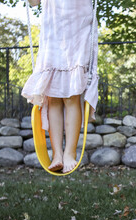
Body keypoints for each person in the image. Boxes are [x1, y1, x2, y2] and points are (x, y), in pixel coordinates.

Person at [22, 0, 98, 173]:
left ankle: (69, 153)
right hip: (53, 33)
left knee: (71, 97)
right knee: (53, 98)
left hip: (79, 32)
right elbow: (34, 2)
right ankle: (57, 154)